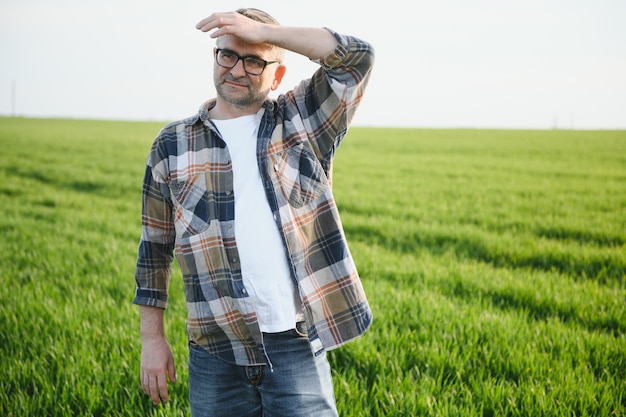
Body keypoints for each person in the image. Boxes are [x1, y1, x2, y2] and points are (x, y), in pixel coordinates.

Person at [133, 8, 374, 417]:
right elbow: (154, 250)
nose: (237, 69)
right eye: (227, 54)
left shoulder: (302, 121)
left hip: (294, 344)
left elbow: (357, 59)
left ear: (277, 76)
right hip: (215, 349)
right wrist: (152, 340)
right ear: (214, 57)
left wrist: (263, 31)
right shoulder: (172, 145)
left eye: (254, 60)